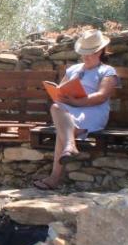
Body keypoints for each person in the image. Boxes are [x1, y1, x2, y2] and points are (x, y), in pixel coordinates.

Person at [33, 29, 118, 190]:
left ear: (100, 51)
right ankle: (70, 147)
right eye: (84, 53)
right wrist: (60, 93)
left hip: (93, 110)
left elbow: (102, 96)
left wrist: (77, 102)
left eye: (91, 53)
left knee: (63, 130)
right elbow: (61, 90)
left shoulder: (107, 71)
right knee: (56, 107)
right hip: (69, 110)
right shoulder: (74, 70)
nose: (86, 56)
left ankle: (55, 177)